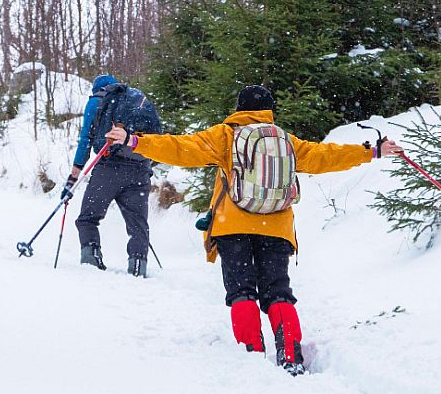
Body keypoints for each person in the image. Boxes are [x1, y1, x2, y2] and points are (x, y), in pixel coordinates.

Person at [104, 85, 403, 375]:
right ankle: (290, 355)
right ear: (269, 111)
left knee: (241, 291)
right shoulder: (285, 140)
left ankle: (252, 356)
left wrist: (135, 141)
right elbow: (325, 156)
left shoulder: (225, 136)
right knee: (278, 293)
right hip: (275, 226)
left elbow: (182, 148)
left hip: (233, 227)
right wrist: (372, 151)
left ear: (239, 109)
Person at [62, 74, 161, 277]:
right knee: (138, 225)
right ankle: (138, 267)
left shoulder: (97, 102)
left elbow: (85, 141)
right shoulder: (136, 100)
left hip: (109, 168)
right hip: (140, 168)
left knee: (87, 219)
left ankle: (91, 264)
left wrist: (73, 177)